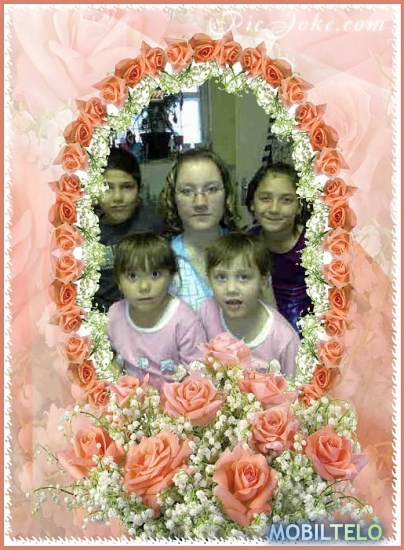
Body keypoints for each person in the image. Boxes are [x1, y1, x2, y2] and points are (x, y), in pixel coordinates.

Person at [107, 232, 207, 390]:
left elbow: (198, 378)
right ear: (118, 281)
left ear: (171, 276)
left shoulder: (185, 322)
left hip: (175, 402)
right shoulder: (114, 315)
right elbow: (111, 362)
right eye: (132, 276)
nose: (144, 286)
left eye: (155, 274)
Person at [199, 233, 300, 377]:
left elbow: (295, 387)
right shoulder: (206, 312)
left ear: (263, 281)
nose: (231, 289)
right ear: (209, 279)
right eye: (221, 277)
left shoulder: (284, 339)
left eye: (243, 277)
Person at [159, 148, 239, 311]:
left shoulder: (249, 253)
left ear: (227, 194)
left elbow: (270, 320)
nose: (200, 202)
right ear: (173, 198)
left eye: (211, 189)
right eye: (187, 191)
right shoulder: (160, 261)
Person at [93, 147, 165, 312]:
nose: (118, 197)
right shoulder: (85, 233)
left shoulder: (155, 223)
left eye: (127, 187)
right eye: (107, 187)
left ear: (139, 189)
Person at [246, 162, 312, 336]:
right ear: (252, 203)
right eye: (265, 198)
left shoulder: (318, 244)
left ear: (299, 206)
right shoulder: (247, 245)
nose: (274, 209)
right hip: (265, 338)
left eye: (286, 200)